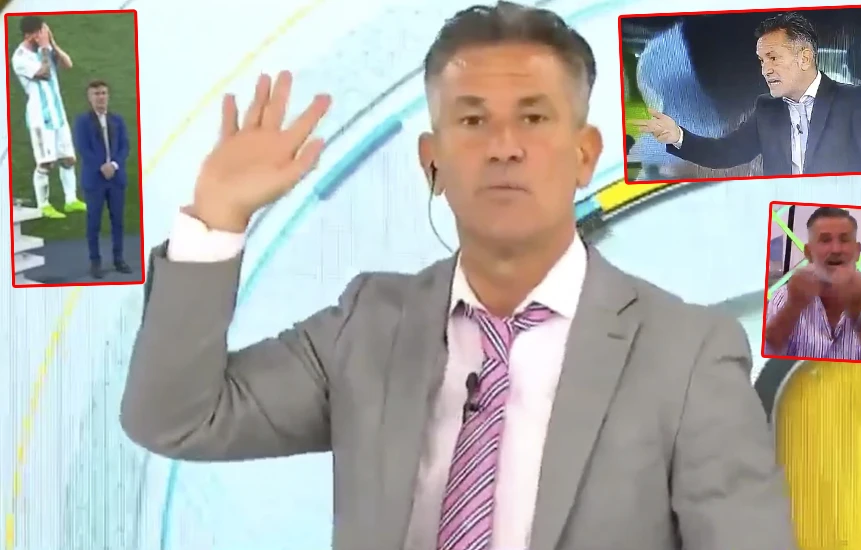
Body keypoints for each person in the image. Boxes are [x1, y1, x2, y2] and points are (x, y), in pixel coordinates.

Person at [121, 3, 797, 549]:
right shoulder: (367, 326)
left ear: (585, 154)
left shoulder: (687, 353)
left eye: (533, 117)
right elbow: (177, 420)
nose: (504, 145)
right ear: (432, 161)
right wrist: (218, 216)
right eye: (472, 119)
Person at [634, 11, 861, 177]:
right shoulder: (766, 111)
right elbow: (725, 152)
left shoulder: (856, 102)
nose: (767, 69)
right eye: (763, 61)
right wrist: (680, 138)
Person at [765, 207, 861, 361]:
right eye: (825, 240)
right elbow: (769, 355)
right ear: (808, 252)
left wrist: (859, 314)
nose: (836, 250)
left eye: (844, 239)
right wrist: (793, 307)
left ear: (857, 251)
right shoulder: (783, 297)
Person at [11, 15, 87, 218]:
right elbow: (44, 73)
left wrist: (52, 43)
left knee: (68, 159)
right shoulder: (20, 58)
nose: (43, 34)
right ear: (29, 34)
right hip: (40, 118)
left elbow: (68, 64)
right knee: (46, 163)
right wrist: (45, 48)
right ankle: (43, 205)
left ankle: (70, 200)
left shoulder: (45, 47)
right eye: (40, 31)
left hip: (57, 113)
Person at [73, 80, 132, 279]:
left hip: (116, 179)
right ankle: (95, 262)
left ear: (108, 96)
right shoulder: (82, 122)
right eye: (96, 94)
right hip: (95, 180)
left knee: (118, 221)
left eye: (104, 93)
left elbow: (124, 146)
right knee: (94, 223)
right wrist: (102, 166)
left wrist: (113, 165)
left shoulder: (117, 120)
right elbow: (83, 148)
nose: (101, 97)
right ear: (89, 97)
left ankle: (118, 259)